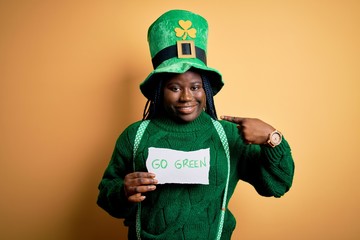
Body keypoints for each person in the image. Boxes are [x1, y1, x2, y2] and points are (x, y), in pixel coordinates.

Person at [97, 9, 294, 240]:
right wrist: (122, 191)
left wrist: (273, 139)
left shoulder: (229, 135)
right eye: (175, 87)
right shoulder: (135, 136)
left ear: (207, 90)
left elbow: (277, 186)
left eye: (195, 87)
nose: (186, 97)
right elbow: (106, 197)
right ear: (160, 91)